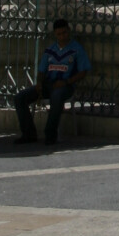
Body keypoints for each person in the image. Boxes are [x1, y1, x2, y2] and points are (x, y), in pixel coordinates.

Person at [14, 18, 90, 147]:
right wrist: (39, 83)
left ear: (69, 31)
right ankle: (29, 134)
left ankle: (50, 134)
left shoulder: (77, 49)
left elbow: (83, 71)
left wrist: (66, 81)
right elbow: (42, 70)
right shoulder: (50, 49)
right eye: (59, 34)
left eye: (64, 33)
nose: (62, 36)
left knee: (57, 96)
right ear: (55, 34)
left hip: (65, 85)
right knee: (20, 98)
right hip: (48, 84)